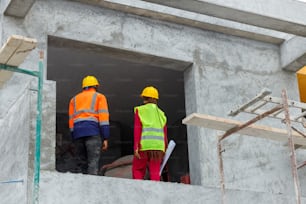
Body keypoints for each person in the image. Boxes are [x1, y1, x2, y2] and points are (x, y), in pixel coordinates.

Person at [68, 75, 110, 175]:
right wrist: (105, 137)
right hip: (93, 132)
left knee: (80, 164)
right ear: (95, 86)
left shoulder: (73, 99)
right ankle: (91, 187)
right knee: (93, 163)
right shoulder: (99, 97)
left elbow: (71, 121)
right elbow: (103, 118)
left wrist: (73, 136)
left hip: (78, 133)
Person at [132, 86, 168, 181]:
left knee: (138, 169)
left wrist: (136, 147)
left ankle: (137, 189)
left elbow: (137, 129)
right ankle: (155, 193)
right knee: (155, 173)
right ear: (156, 99)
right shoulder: (161, 114)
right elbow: (164, 134)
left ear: (144, 97)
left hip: (144, 146)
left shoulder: (140, 110)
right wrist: (164, 149)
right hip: (158, 148)